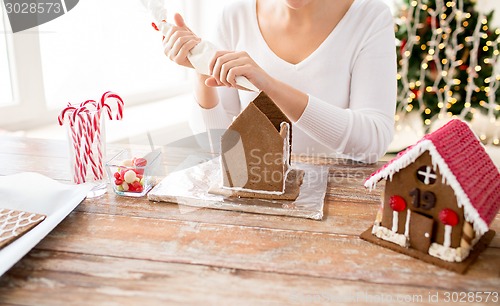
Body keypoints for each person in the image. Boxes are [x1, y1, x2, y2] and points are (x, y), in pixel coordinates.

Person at [162, 0, 397, 163]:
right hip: (254, 197)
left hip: (337, 199)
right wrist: (201, 68)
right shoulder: (235, 16)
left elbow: (373, 143)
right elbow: (215, 147)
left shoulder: (369, 17)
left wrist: (270, 87)